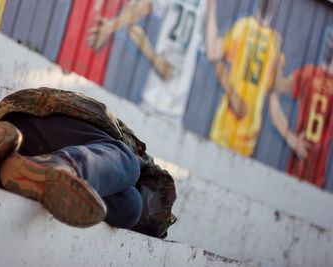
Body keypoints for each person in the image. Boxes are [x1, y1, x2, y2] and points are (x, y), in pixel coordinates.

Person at [0, 87, 176, 237]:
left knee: (130, 205)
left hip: (16, 141)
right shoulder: (130, 155)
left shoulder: (124, 193)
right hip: (38, 113)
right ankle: (63, 165)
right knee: (128, 166)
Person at [89, 0, 208, 122]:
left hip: (174, 106)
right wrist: (154, 59)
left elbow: (212, 49)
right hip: (153, 98)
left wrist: (109, 27)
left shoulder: (205, 5)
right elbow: (137, 15)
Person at [205, 0, 283, 156]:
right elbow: (214, 54)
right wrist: (233, 95)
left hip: (248, 136)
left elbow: (272, 91)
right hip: (226, 130)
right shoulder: (243, 27)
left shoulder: (274, 40)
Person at [268, 30, 333, 188]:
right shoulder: (308, 74)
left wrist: (275, 52)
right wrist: (290, 138)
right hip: (312, 176)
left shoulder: (308, 74)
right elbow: (276, 89)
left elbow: (275, 87)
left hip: (300, 171)